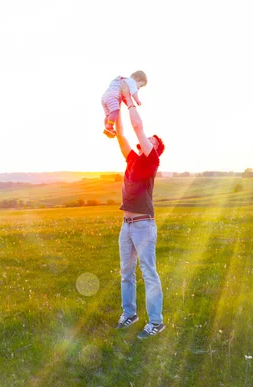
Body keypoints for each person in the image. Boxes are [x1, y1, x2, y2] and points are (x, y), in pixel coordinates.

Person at [113, 81, 165, 339]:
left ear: (155, 149)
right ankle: (129, 313)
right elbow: (123, 135)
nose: (148, 140)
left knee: (148, 272)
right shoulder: (133, 159)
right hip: (127, 225)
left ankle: (156, 322)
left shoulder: (152, 160)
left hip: (144, 225)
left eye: (152, 141)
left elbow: (137, 128)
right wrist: (118, 107)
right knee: (126, 272)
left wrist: (130, 99)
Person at [101, 71, 147, 138]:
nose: (138, 88)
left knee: (109, 114)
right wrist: (137, 101)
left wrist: (130, 106)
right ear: (137, 79)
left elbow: (125, 98)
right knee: (115, 111)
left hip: (105, 97)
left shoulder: (124, 82)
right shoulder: (131, 82)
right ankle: (109, 126)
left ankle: (107, 127)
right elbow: (134, 92)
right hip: (112, 96)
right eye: (140, 86)